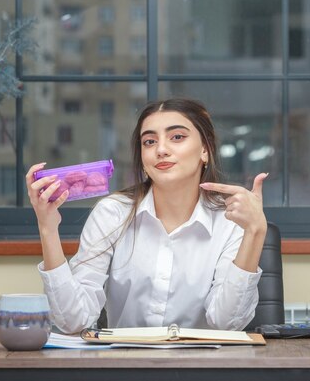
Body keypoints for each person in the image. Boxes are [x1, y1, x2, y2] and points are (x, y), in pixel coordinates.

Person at [26, 97, 268, 334]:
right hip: (125, 367)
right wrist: (47, 227)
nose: (161, 150)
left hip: (202, 369)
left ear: (205, 150)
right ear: (142, 160)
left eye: (177, 137)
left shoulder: (231, 221)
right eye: (149, 142)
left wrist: (255, 231)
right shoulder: (112, 213)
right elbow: (73, 321)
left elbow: (226, 323)